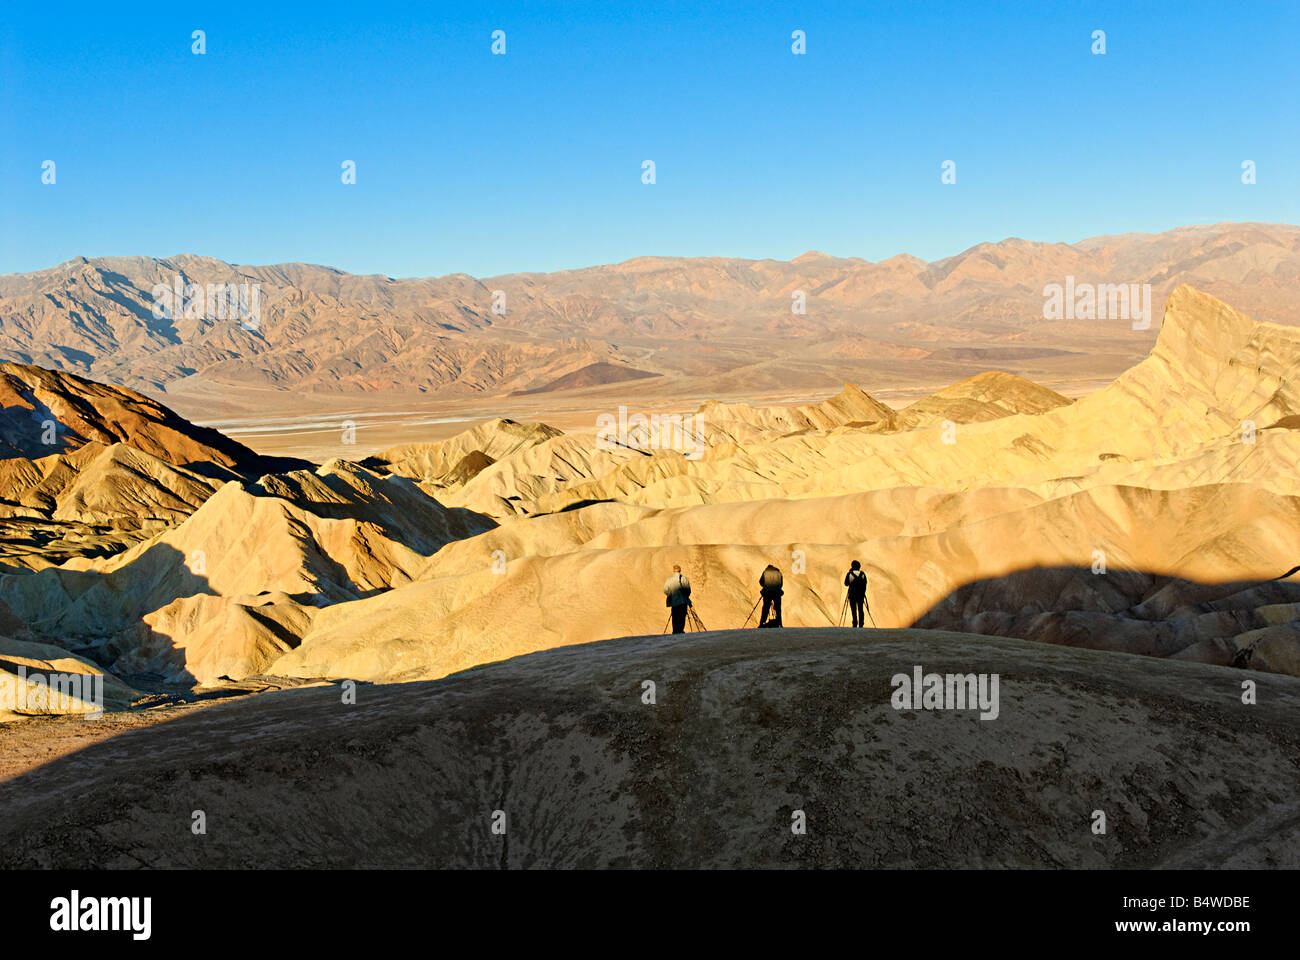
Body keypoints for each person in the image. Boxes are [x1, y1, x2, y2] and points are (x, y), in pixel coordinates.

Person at [663, 565, 692, 634]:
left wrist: (671, 595)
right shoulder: (684, 579)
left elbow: (665, 590)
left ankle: (675, 631)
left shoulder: (669, 580)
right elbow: (688, 590)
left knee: (675, 616)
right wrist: (685, 596)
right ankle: (680, 630)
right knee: (682, 616)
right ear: (680, 570)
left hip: (674, 602)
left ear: (673, 570)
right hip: (683, 602)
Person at [844, 560, 868, 628]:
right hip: (860, 595)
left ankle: (854, 623)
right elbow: (865, 583)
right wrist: (863, 593)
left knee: (853, 609)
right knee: (860, 609)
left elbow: (846, 584)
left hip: (852, 594)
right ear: (859, 566)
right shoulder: (862, 574)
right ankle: (861, 624)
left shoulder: (849, 574)